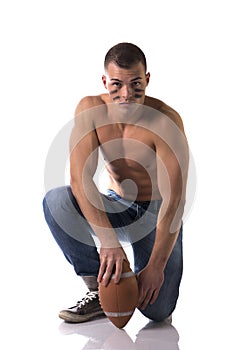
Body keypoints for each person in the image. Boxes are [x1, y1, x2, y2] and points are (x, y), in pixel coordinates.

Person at [43, 42, 189, 324]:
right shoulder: (92, 109)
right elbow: (79, 177)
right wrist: (109, 242)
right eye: (116, 84)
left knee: (158, 312)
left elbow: (176, 200)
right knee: (56, 201)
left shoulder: (165, 121)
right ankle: (100, 288)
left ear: (147, 79)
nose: (126, 94)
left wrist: (156, 265)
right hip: (116, 204)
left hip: (157, 214)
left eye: (135, 83)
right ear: (104, 81)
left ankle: (135, 275)